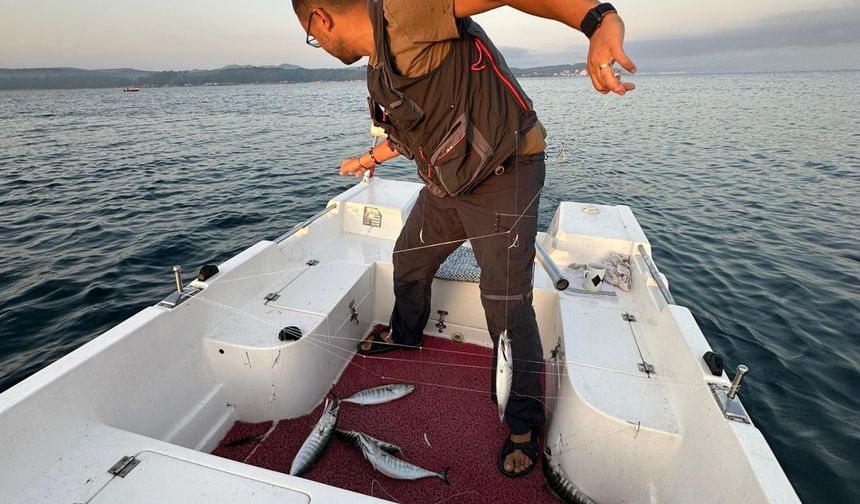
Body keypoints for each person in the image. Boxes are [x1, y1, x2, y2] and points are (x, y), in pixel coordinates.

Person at [291, 0, 635, 477]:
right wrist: (370, 158)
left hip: (501, 174)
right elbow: (412, 131)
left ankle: (522, 426)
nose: (319, 44)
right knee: (409, 256)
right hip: (448, 182)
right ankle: (407, 336)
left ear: (320, 18)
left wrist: (595, 20)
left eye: (311, 35)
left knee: (505, 304)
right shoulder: (379, 67)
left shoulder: (402, 13)